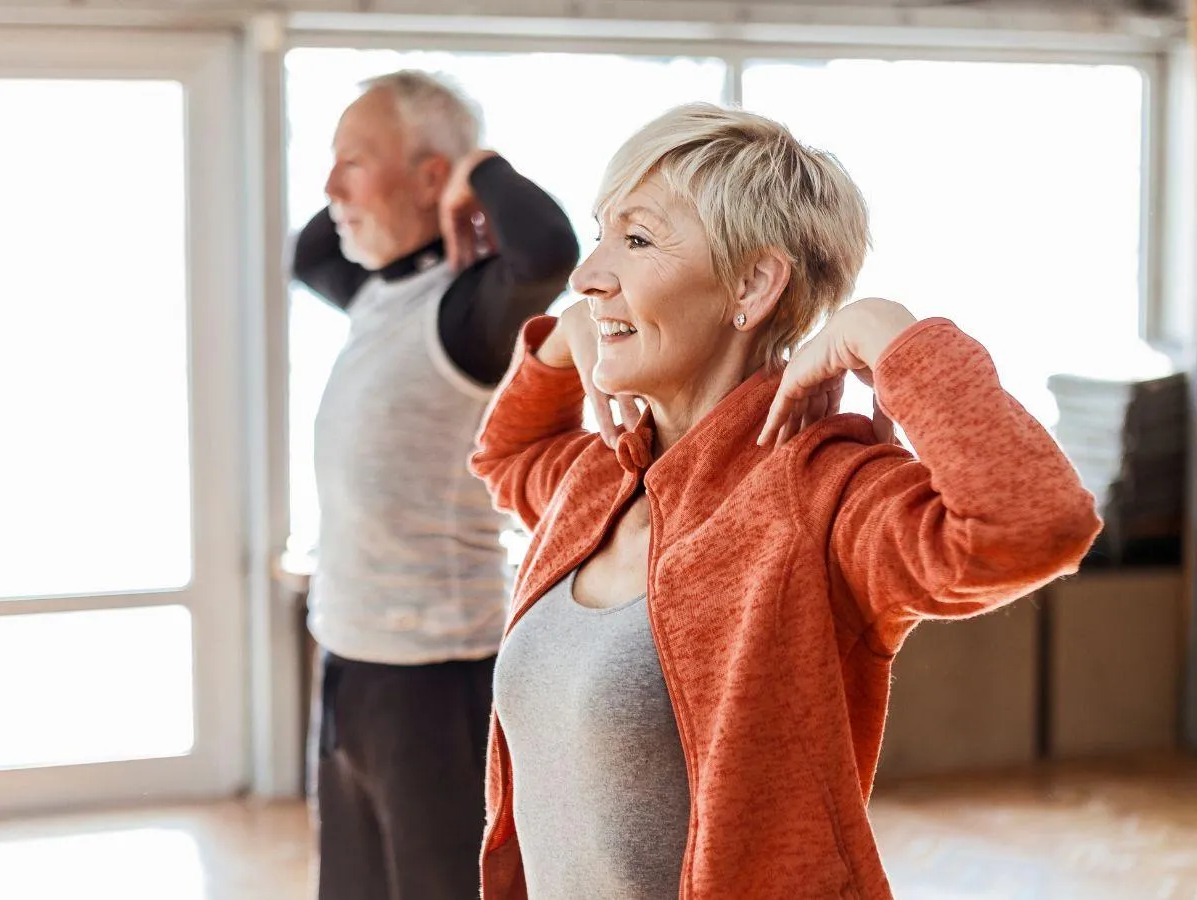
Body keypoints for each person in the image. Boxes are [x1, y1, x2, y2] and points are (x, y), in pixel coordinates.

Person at [469, 102, 1102, 899]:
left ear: (754, 283)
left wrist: (892, 338)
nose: (587, 274)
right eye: (601, 234)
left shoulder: (820, 494)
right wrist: (566, 339)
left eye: (635, 240)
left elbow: (1033, 523)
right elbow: (505, 455)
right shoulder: (602, 476)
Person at [290, 70, 578, 900]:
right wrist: (368, 170)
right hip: (351, 659)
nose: (329, 186)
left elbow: (548, 251)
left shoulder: (464, 313)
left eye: (354, 161)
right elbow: (308, 250)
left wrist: (473, 165)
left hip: (438, 676)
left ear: (428, 178)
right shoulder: (378, 293)